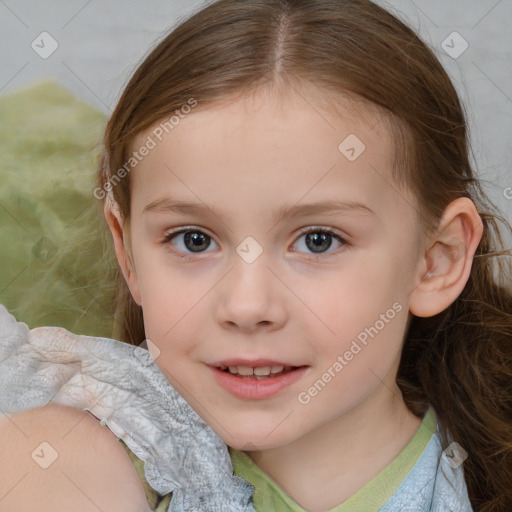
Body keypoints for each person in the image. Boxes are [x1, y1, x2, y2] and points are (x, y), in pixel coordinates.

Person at [2, 0, 511, 511]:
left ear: (435, 261)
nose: (247, 306)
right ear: (129, 255)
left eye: (318, 240)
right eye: (193, 240)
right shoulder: (63, 466)